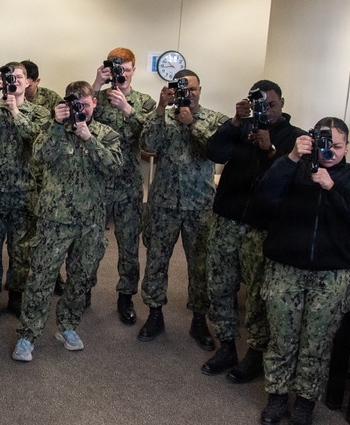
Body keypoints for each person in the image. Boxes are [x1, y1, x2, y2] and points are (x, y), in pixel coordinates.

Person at [255, 117, 350, 425]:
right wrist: (293, 157)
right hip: (286, 267)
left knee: (317, 342)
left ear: (347, 147)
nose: (330, 152)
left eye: (337, 146)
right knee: (282, 337)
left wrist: (332, 187)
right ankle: (277, 397)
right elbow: (264, 195)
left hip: (332, 274)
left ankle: (306, 402)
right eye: (325, 144)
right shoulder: (293, 167)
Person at [201, 80, 305, 380]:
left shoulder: (294, 138)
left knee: (259, 294)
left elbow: (295, 180)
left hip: (262, 228)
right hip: (227, 219)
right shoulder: (242, 128)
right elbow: (214, 152)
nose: (267, 111)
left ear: (282, 104)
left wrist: (271, 150)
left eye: (271, 105)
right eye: (261, 105)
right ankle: (227, 345)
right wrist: (234, 122)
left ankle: (255, 353)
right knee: (219, 285)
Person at [12, 81, 122, 362]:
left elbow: (113, 168)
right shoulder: (54, 130)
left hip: (91, 221)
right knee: (41, 276)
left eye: (84, 104)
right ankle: (27, 334)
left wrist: (88, 138)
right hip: (54, 219)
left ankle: (68, 325)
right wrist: (58, 125)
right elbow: (38, 156)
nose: (80, 109)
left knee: (82, 277)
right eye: (75, 105)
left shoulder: (105, 134)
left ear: (94, 103)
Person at [137, 70, 228, 347]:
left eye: (192, 89)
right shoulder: (162, 116)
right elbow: (147, 146)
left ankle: (199, 320)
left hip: (199, 205)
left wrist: (192, 126)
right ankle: (154, 314)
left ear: (200, 89)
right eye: (181, 89)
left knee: (199, 264)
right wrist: (161, 107)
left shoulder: (215, 120)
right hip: (163, 203)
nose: (187, 93)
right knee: (156, 261)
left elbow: (218, 153)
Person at [0, 61, 50, 324]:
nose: (15, 80)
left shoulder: (38, 112)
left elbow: (39, 140)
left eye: (19, 76)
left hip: (24, 191)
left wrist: (17, 112)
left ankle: (16, 294)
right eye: (10, 76)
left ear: (28, 81)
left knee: (21, 249)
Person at [89, 47, 157, 326]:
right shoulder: (98, 98)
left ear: (134, 69)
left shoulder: (145, 102)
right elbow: (78, 118)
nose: (122, 74)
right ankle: (83, 290)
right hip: (100, 183)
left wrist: (128, 110)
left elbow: (150, 142)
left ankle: (126, 296)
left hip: (129, 185)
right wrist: (95, 84)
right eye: (117, 69)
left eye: (126, 69)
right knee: (91, 243)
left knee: (129, 245)